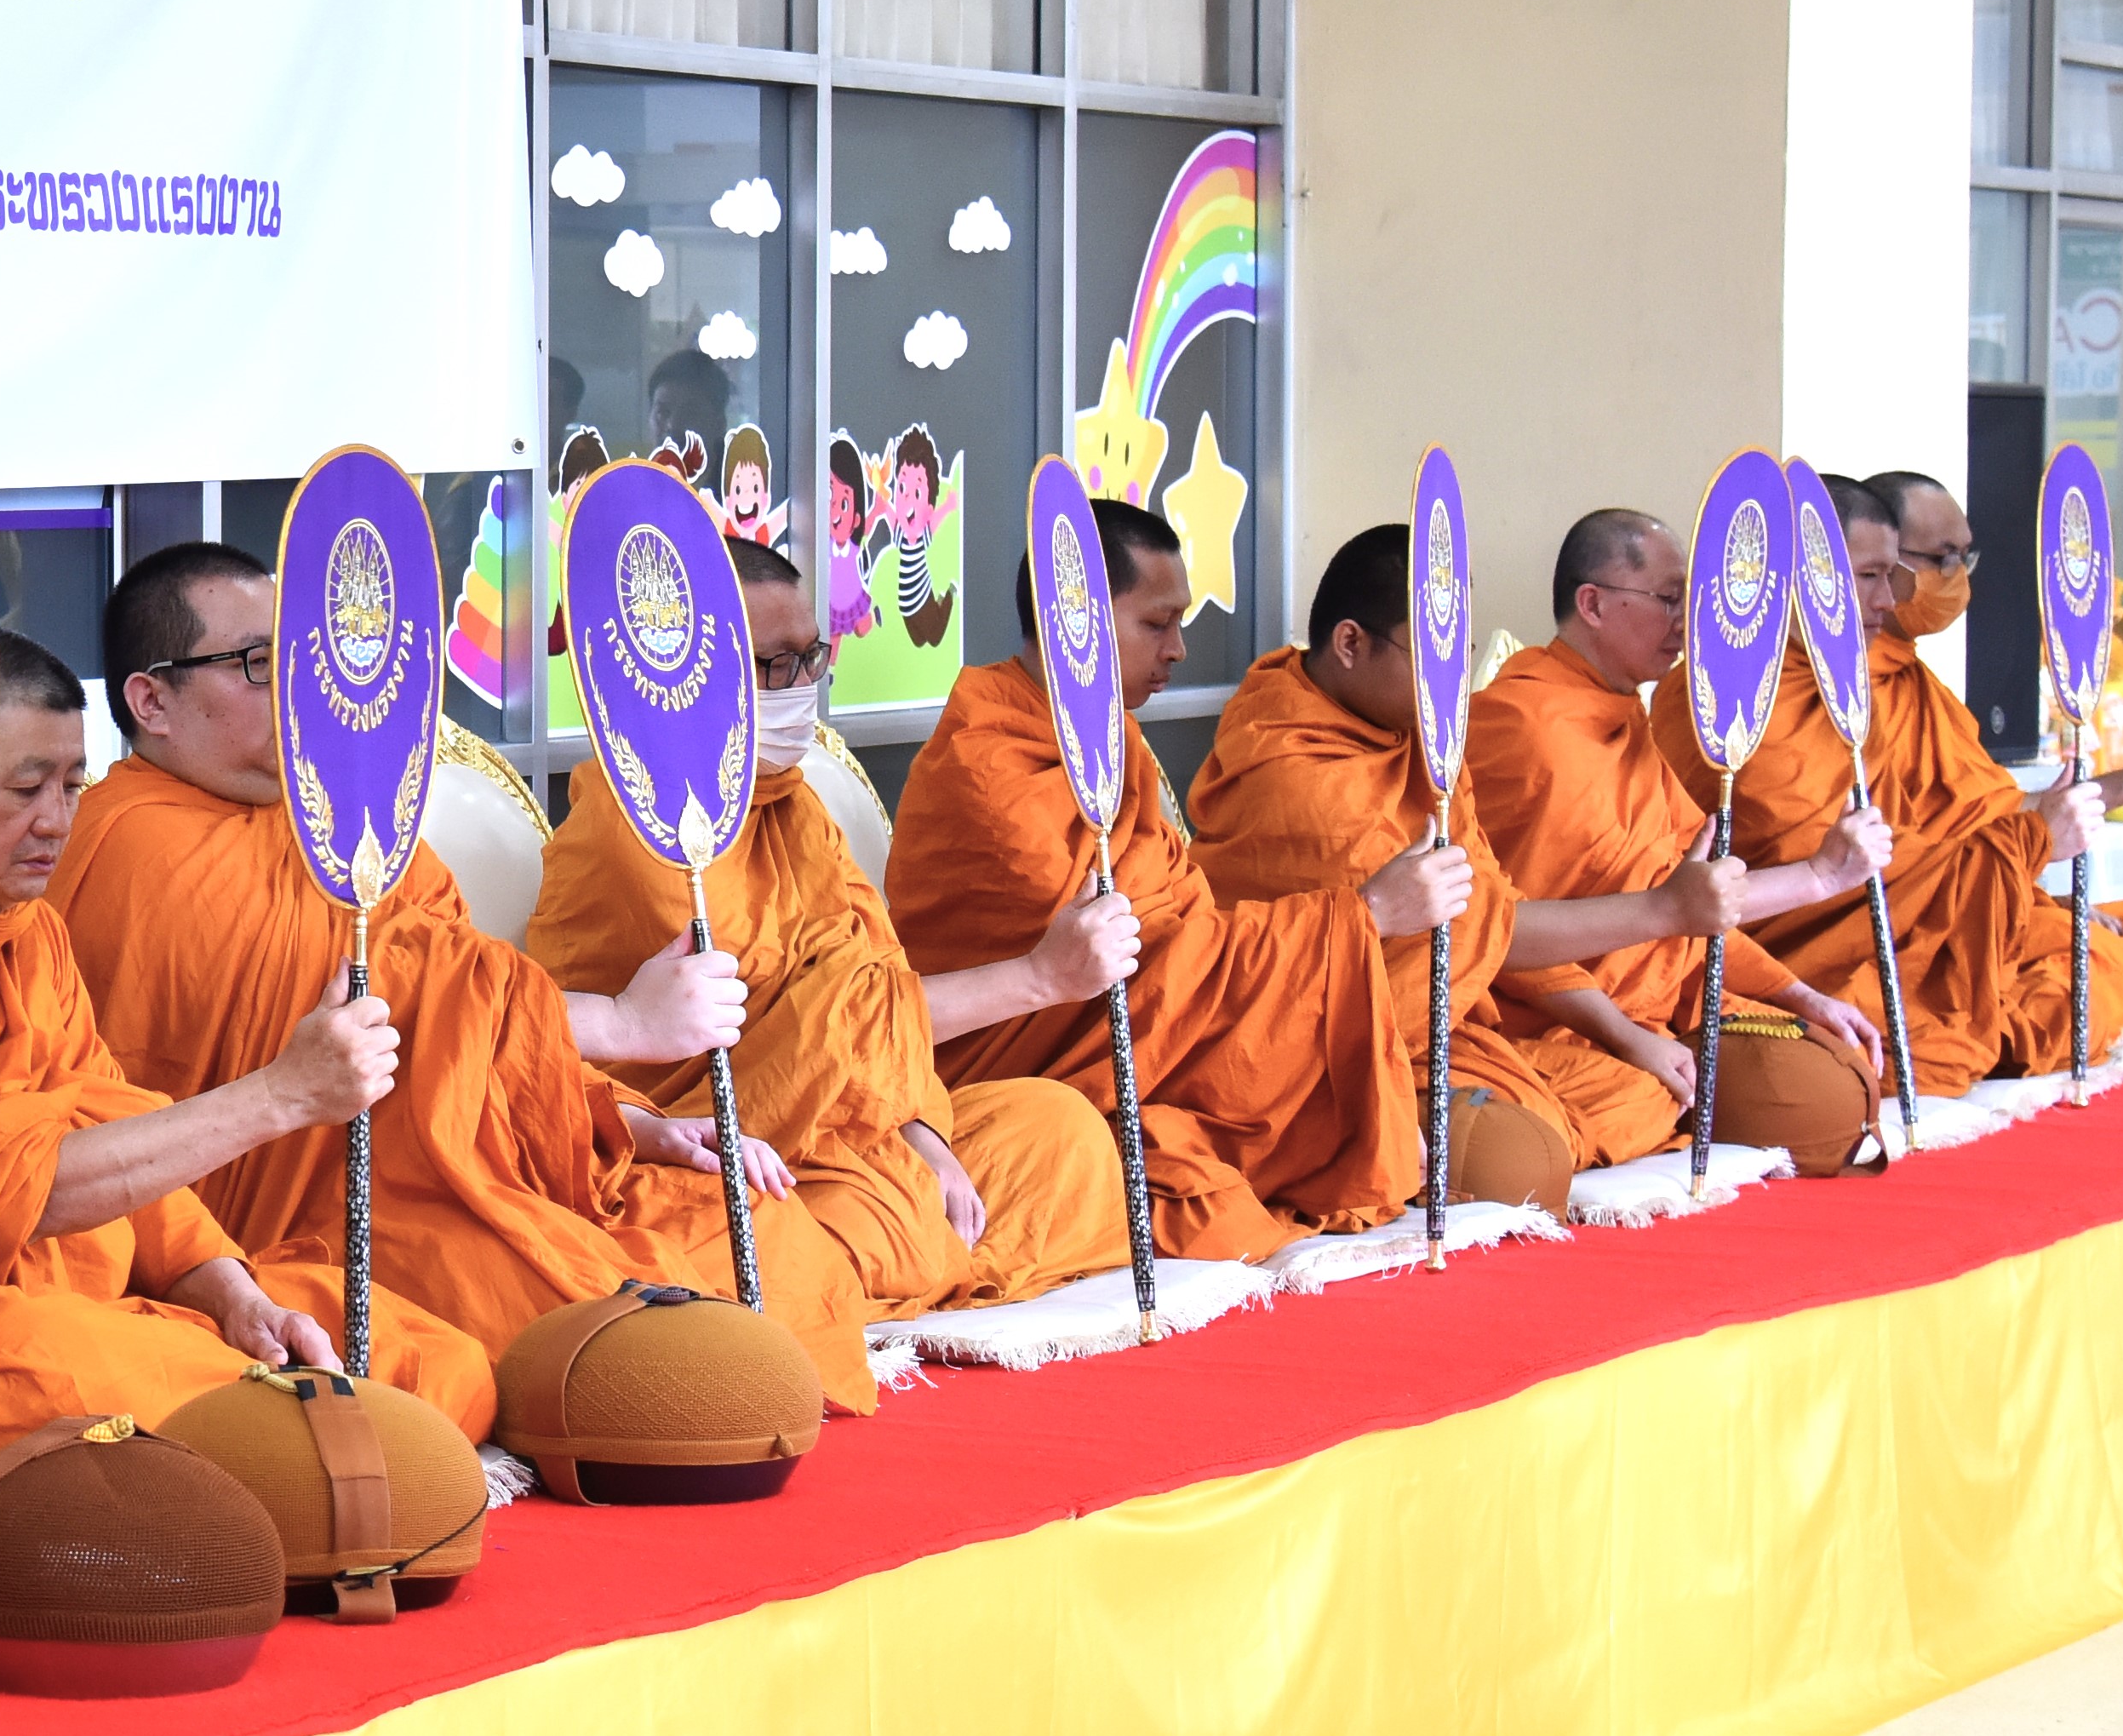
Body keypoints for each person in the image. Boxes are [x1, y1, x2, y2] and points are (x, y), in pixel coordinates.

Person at [51, 541, 879, 1416]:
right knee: (606, 1329)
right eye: (258, 664)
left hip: (465, 1165)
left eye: (298, 658)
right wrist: (620, 1024)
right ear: (151, 700)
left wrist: (636, 1123)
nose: (296, 688)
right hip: (316, 1216)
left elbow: (473, 1021)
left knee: (752, 1228)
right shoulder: (130, 845)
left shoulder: (336, 818)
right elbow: (390, 1010)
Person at [0, 631, 500, 1461]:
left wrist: (232, 1295)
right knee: (78, 1378)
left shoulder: (26, 930)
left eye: (71, 785)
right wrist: (277, 1096)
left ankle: (284, 1446)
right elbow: (1, 1196)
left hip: (82, 1293)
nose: (55, 821)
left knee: (426, 1355)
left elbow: (111, 1122)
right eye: (24, 789)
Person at [523, 544, 1140, 1310]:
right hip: (714, 1146)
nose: (803, 686)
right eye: (775, 665)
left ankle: (902, 1255)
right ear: (687, 676)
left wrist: (924, 1139)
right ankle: (895, 1263)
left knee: (1058, 1131)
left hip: (852, 1125)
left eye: (811, 657)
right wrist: (1038, 979)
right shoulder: (643, 838)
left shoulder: (792, 805)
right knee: (787, 1235)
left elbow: (873, 997)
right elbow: (812, 1034)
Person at [878, 497, 1439, 1255]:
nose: (1177, 649)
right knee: (1220, 1218)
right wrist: (1359, 917)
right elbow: (1125, 969)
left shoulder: (1111, 739)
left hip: (1148, 1064)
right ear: (1071, 614)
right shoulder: (988, 763)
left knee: (1263, 1169)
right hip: (1036, 1072)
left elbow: (1185, 930)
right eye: (1155, 623)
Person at [1718, 470, 2123, 1072]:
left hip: (1944, 926)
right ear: (1806, 573)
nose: (1891, 596)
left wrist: (2022, 883)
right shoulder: (1752, 705)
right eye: (1875, 575)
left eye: (1959, 559)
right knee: (2082, 989)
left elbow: (1972, 822)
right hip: (1849, 959)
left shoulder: (1900, 682)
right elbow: (1836, 881)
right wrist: (2037, 839)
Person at [1187, 520, 1718, 1186]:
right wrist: (1662, 911)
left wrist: (1625, 1033)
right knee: (1523, 1159)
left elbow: (1491, 912)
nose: (1454, 682)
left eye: (1459, 653)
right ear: (1349, 643)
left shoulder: (1419, 743)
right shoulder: (1301, 778)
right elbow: (1486, 930)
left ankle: (1471, 1134)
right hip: (1313, 1051)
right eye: (1431, 654)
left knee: (1641, 1093)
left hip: (1436, 1026)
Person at [1460, 507, 1891, 1167]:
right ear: (1592, 604)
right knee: (1591, 1119)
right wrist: (1626, 1037)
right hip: (1549, 1025)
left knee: (1835, 1087)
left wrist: (1796, 992)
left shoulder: (1621, 718)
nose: (1685, 620)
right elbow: (1498, 933)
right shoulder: (1524, 725)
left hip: (1657, 1011)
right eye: (1667, 599)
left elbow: (1690, 902)